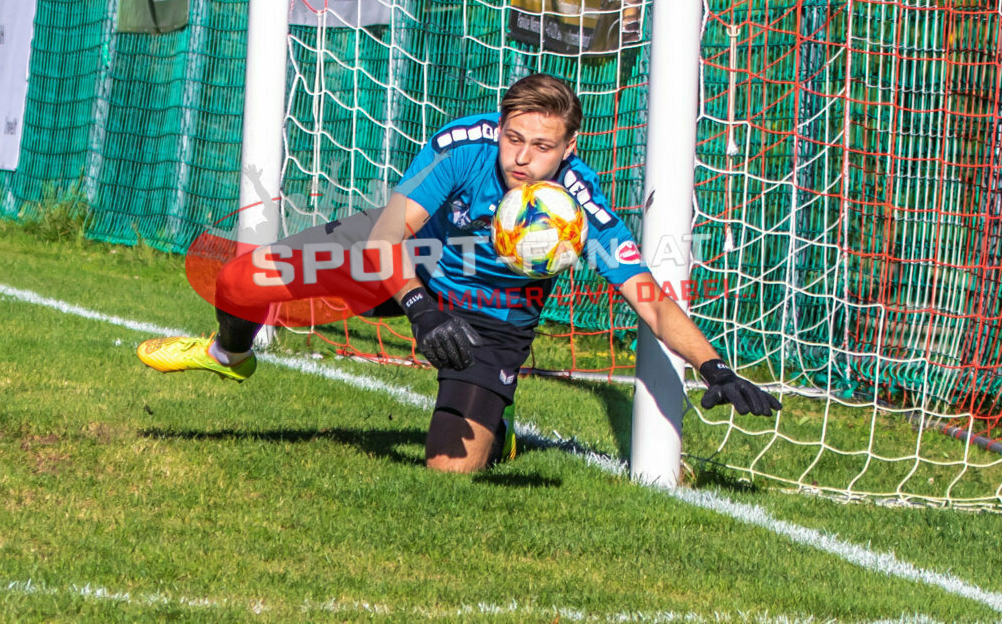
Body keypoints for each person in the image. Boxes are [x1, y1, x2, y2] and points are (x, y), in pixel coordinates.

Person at [137, 74, 781, 473]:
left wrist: (712, 367)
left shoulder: (580, 210)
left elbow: (650, 300)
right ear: (500, 129)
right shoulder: (462, 146)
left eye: (543, 146)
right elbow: (388, 235)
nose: (523, 158)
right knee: (241, 282)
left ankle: (493, 428)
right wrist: (420, 308)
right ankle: (229, 354)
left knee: (449, 471)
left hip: (492, 320)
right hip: (407, 265)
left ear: (570, 148)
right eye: (514, 138)